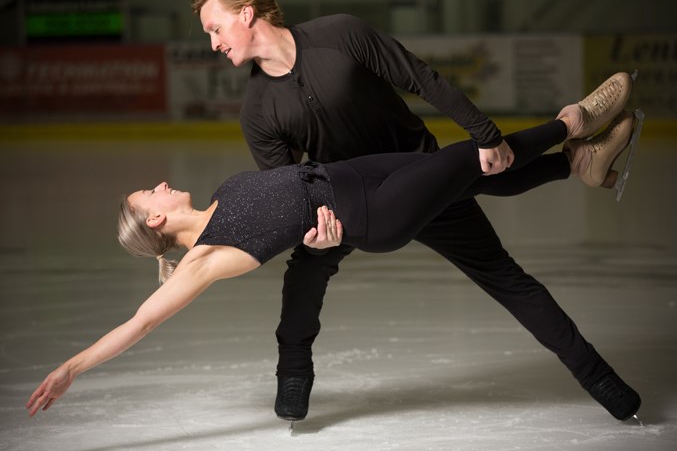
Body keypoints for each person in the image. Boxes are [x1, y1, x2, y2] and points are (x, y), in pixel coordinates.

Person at [190, 0, 641, 422]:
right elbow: (287, 189)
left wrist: (482, 132)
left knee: (505, 275)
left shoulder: (340, 34)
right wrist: (317, 237)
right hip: (348, 203)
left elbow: (420, 78)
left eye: (215, 28)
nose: (213, 43)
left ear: (246, 13)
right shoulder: (257, 111)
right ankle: (293, 374)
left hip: (420, 171)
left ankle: (599, 377)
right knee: (304, 276)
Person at [26, 109, 638, 419]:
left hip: (357, 174)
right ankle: (571, 124)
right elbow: (141, 322)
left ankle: (572, 165)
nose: (158, 185)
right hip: (372, 216)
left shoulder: (222, 196)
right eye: (148, 195)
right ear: (155, 222)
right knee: (469, 161)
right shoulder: (203, 259)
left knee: (470, 178)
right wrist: (72, 367)